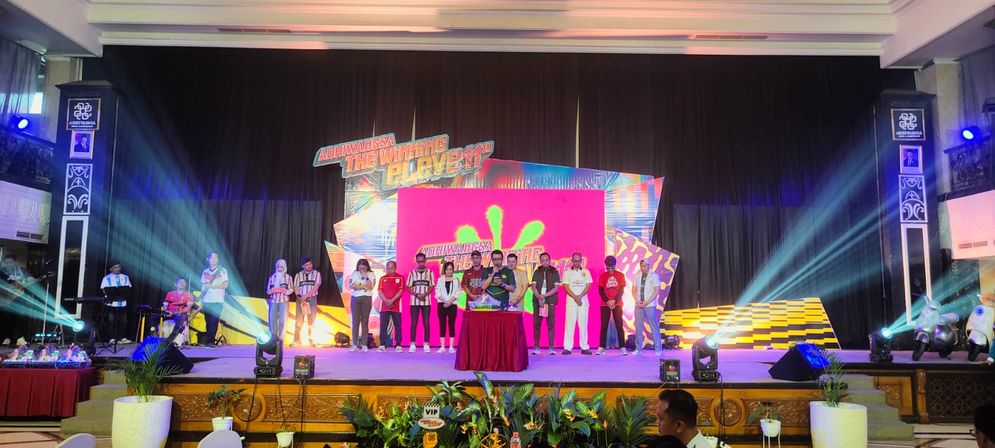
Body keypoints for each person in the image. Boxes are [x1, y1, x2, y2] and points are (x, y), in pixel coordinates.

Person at [561, 252, 592, 355]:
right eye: (575, 261)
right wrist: (575, 297)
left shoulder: (586, 272)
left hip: (583, 302)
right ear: (572, 261)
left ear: (581, 261)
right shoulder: (567, 273)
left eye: (579, 261)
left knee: (583, 325)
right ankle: (568, 347)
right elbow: (566, 287)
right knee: (569, 325)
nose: (577, 263)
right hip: (571, 302)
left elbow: (588, 286)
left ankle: (584, 347)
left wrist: (580, 296)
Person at [530, 252, 560, 355]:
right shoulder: (537, 271)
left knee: (551, 324)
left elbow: (556, 288)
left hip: (550, 300)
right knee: (536, 324)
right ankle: (536, 347)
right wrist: (539, 297)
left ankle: (551, 347)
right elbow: (533, 286)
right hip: (537, 301)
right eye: (542, 260)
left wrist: (544, 296)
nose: (545, 262)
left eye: (547, 260)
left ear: (550, 260)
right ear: (540, 261)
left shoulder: (554, 271)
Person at [633, 259, 664, 356]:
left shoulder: (654, 276)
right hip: (639, 305)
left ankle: (658, 349)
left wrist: (647, 302)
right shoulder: (637, 276)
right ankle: (638, 349)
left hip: (650, 305)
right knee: (638, 327)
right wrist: (636, 300)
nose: (643, 267)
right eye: (641, 266)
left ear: (649, 265)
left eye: (645, 265)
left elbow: (656, 291)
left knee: (654, 326)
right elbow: (633, 290)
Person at [598, 255, 627, 355]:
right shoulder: (602, 276)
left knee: (619, 325)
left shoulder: (620, 275)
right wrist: (607, 301)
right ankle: (601, 347)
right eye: (608, 268)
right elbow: (601, 291)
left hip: (617, 303)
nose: (610, 270)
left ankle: (622, 347)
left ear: (615, 266)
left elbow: (621, 290)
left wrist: (614, 301)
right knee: (604, 326)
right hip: (605, 304)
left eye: (612, 268)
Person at [1, 254, 32, 345]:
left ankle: (19, 337)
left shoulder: (22, 270)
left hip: (19, 298)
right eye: (7, 263)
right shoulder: (2, 271)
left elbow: (31, 280)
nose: (9, 265)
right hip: (5, 300)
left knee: (19, 319)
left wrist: (19, 281)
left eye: (11, 262)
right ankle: (6, 337)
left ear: (15, 262)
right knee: (6, 320)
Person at [199, 252, 229, 348]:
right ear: (208, 259)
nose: (214, 260)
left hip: (218, 300)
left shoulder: (222, 270)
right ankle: (209, 341)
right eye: (212, 258)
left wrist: (213, 286)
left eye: (216, 258)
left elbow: (225, 285)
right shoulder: (205, 271)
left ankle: (211, 341)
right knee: (208, 321)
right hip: (206, 300)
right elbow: (203, 286)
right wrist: (201, 298)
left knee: (214, 321)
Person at [407, 252, 435, 352]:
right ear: (416, 261)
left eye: (422, 261)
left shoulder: (430, 272)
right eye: (419, 262)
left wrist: (424, 294)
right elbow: (408, 287)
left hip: (426, 302)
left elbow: (431, 286)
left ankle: (426, 344)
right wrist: (416, 295)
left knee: (426, 323)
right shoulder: (412, 273)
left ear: (425, 261)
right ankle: (412, 344)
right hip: (414, 302)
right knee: (414, 322)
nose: (420, 263)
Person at [101, 261, 133, 344]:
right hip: (111, 304)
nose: (118, 269)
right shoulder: (106, 278)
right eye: (115, 267)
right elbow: (104, 290)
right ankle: (112, 338)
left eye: (119, 267)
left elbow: (128, 289)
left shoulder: (125, 277)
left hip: (122, 303)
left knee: (123, 321)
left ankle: (122, 338)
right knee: (111, 321)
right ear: (111, 269)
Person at [292, 256, 322, 347]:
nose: (309, 266)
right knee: (299, 321)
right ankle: (297, 340)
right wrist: (301, 298)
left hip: (312, 298)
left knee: (311, 320)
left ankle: (311, 340)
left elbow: (316, 287)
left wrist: (306, 296)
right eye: (307, 265)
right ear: (303, 266)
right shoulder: (298, 275)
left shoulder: (316, 274)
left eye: (310, 264)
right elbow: (295, 288)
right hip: (300, 300)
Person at [377, 260, 405, 352]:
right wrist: (386, 301)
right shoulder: (382, 278)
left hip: (396, 306)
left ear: (395, 268)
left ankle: (398, 345)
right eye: (388, 268)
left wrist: (392, 300)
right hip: (384, 306)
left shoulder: (400, 278)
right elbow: (380, 291)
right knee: (383, 326)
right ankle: (382, 345)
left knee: (397, 326)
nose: (390, 270)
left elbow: (400, 291)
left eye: (392, 268)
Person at [348, 259, 375, 352]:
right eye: (360, 268)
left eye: (363, 268)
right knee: (355, 322)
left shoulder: (371, 274)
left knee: (365, 322)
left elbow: (371, 286)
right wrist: (364, 286)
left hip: (366, 299)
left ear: (367, 267)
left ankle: (364, 345)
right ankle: (354, 344)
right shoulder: (354, 273)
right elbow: (352, 286)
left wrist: (365, 277)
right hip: (355, 299)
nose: (361, 269)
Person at [435, 261, 461, 353]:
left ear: (453, 270)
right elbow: (437, 292)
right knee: (442, 324)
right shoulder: (440, 280)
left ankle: (451, 346)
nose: (449, 271)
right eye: (447, 269)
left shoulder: (456, 280)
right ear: (444, 270)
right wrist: (445, 301)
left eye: (451, 269)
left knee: (451, 324)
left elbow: (458, 292)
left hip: (452, 304)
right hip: (441, 304)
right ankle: (442, 347)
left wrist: (450, 302)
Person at [266, 259, 293, 343]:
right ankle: (273, 338)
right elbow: (268, 290)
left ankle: (281, 339)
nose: (280, 268)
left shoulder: (288, 277)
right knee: (272, 320)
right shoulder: (272, 277)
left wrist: (284, 291)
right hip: (274, 300)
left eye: (282, 267)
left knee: (282, 320)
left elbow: (291, 289)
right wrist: (272, 291)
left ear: (284, 267)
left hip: (284, 301)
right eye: (278, 267)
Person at [162, 277, 194, 347]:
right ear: (175, 284)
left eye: (184, 282)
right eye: (180, 282)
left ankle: (170, 339)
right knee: (153, 316)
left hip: (180, 314)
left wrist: (175, 313)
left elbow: (188, 308)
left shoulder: (189, 295)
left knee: (180, 318)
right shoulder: (170, 293)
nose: (182, 284)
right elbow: (165, 305)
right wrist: (166, 311)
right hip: (169, 313)